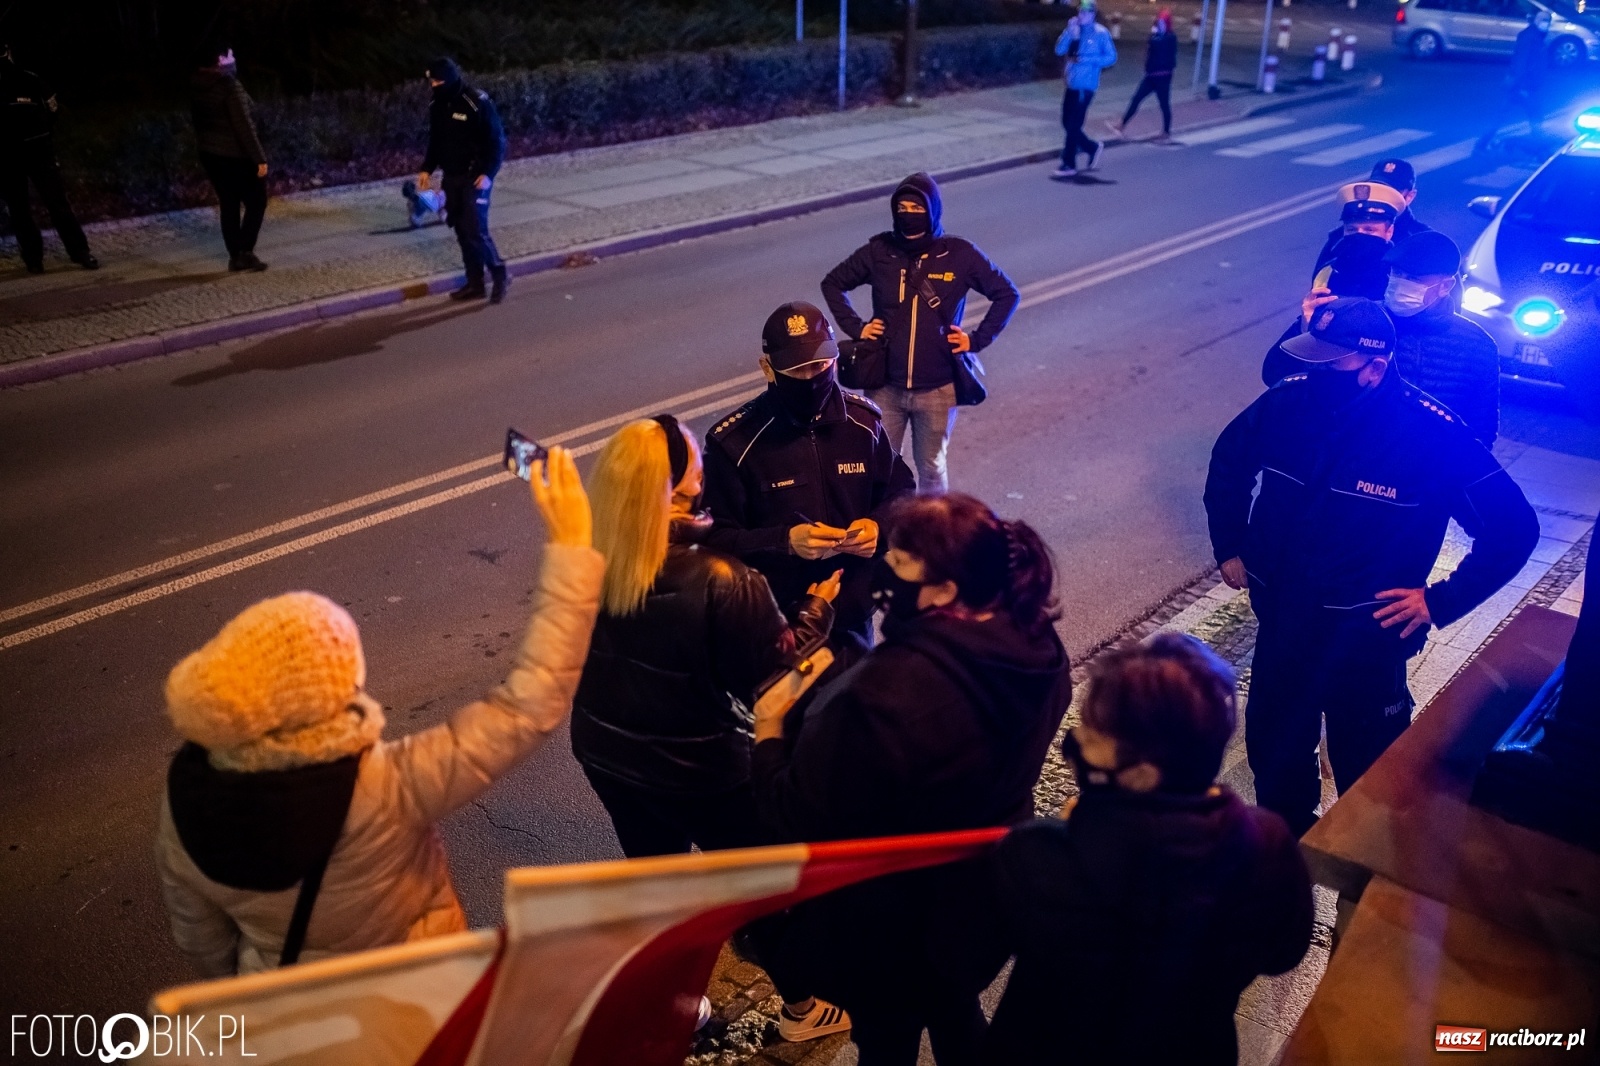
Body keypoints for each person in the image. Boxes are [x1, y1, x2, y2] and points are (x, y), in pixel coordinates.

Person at [155, 448, 603, 975]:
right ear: (324, 704)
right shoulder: (387, 788)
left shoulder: (183, 800)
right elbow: (532, 703)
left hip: (300, 1019)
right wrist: (571, 545)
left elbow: (203, 945)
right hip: (414, 1001)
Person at [748, 492, 1072, 1066]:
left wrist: (772, 727)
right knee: (955, 1007)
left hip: (889, 920)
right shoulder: (1038, 645)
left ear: (944, 591)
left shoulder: (883, 698)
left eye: (897, 564)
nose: (882, 575)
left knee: (885, 1037)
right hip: (977, 896)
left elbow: (796, 812)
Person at [1205, 297, 1539, 838]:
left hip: (1366, 644)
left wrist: (1439, 600)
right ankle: (1283, 882)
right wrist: (1231, 545)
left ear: (1374, 366)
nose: (1313, 372)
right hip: (1284, 631)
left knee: (1374, 793)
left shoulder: (1430, 435)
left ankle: (1360, 906)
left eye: (1329, 362)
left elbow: (1515, 529)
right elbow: (1228, 464)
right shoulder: (1286, 406)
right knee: (1276, 776)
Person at [984, 634, 1314, 1065]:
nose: (1076, 739)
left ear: (1141, 774)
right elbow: (1283, 952)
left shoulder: (1038, 857)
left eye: (1094, 735)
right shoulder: (1268, 844)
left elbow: (961, 959)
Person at [703, 301, 915, 641]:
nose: (811, 378)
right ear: (767, 368)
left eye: (820, 365)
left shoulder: (864, 423)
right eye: (798, 370)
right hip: (774, 622)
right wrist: (785, 542)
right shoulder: (734, 443)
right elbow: (715, 539)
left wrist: (880, 527)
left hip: (853, 612)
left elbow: (901, 493)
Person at [820, 175, 1019, 491]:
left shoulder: (959, 254)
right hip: (885, 387)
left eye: (917, 206)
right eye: (902, 206)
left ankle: (929, 535)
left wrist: (976, 339)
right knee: (878, 466)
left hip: (938, 390)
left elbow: (1007, 294)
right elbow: (833, 283)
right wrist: (857, 328)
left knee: (931, 468)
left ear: (933, 210)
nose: (908, 212)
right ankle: (884, 530)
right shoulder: (880, 252)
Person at [1269, 232, 1500, 444]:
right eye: (1396, 273)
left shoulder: (1477, 345)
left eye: (1413, 278)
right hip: (1355, 465)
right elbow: (1277, 376)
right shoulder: (1359, 320)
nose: (1400, 283)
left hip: (1428, 481)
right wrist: (1307, 327)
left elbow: (1481, 432)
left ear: (1445, 286)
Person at [418, 57, 509, 304]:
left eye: (438, 80)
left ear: (450, 78)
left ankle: (500, 274)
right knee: (460, 230)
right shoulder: (438, 103)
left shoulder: (475, 102)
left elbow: (497, 142)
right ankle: (475, 283)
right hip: (452, 176)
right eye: (431, 81)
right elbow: (436, 140)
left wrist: (488, 174)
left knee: (475, 231)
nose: (434, 85)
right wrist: (427, 168)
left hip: (474, 177)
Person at [0, 44, 97, 273]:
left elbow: (53, 110)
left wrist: (42, 136)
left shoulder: (30, 80)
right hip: (8, 155)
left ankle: (80, 252)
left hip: (38, 151)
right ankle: (33, 260)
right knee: (19, 209)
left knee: (57, 203)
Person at [191, 45, 270, 272]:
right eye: (231, 55)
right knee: (257, 201)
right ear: (220, 60)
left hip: (210, 154)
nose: (234, 58)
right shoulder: (229, 86)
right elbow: (243, 126)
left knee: (229, 203)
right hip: (236, 156)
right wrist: (259, 159)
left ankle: (235, 256)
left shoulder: (197, 84)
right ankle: (245, 251)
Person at [1313, 159, 1430, 270]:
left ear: (1409, 196)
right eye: (1378, 187)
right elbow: (1320, 278)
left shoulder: (1422, 240)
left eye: (1391, 191)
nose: (1381, 194)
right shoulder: (1342, 235)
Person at [1052, 0, 1117, 178]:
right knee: (1066, 122)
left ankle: (1069, 163)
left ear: (1093, 14)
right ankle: (1092, 147)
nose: (1082, 15)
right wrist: (1069, 34)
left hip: (1086, 86)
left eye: (1086, 13)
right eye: (1080, 12)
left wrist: (1089, 60)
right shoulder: (1074, 29)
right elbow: (1059, 50)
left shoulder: (1100, 33)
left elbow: (1111, 57)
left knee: (1073, 125)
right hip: (1072, 83)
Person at [1477, 9, 1552, 152]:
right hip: (1524, 86)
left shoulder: (1537, 35)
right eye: (1543, 19)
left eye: (1547, 20)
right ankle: (1540, 148)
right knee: (1534, 116)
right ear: (1535, 20)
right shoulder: (1530, 37)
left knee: (1505, 114)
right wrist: (1522, 86)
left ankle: (1483, 142)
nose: (1545, 23)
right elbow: (1521, 63)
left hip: (1523, 85)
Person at [1105, 9, 1177, 141]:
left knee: (1164, 105)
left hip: (1162, 77)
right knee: (1136, 98)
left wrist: (1154, 36)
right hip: (1151, 76)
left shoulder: (1170, 38)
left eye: (1162, 23)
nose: (1160, 25)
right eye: (1159, 22)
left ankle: (1166, 132)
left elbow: (1157, 45)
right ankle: (1122, 124)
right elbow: (1150, 48)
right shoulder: (1158, 37)